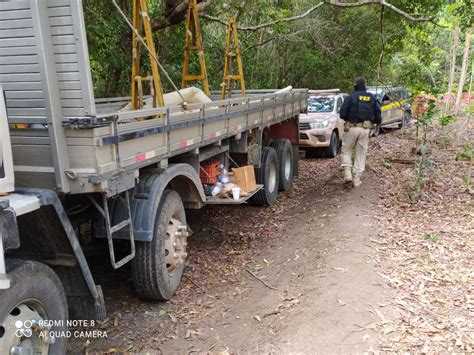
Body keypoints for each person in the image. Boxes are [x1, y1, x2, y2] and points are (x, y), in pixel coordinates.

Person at [339, 77, 382, 187]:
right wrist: (375, 123)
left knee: (346, 150)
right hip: (365, 130)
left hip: (351, 128)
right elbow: (378, 114)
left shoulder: (350, 97)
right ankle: (356, 179)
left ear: (355, 85)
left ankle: (347, 173)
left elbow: (342, 114)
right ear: (365, 85)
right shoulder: (372, 98)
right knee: (361, 153)